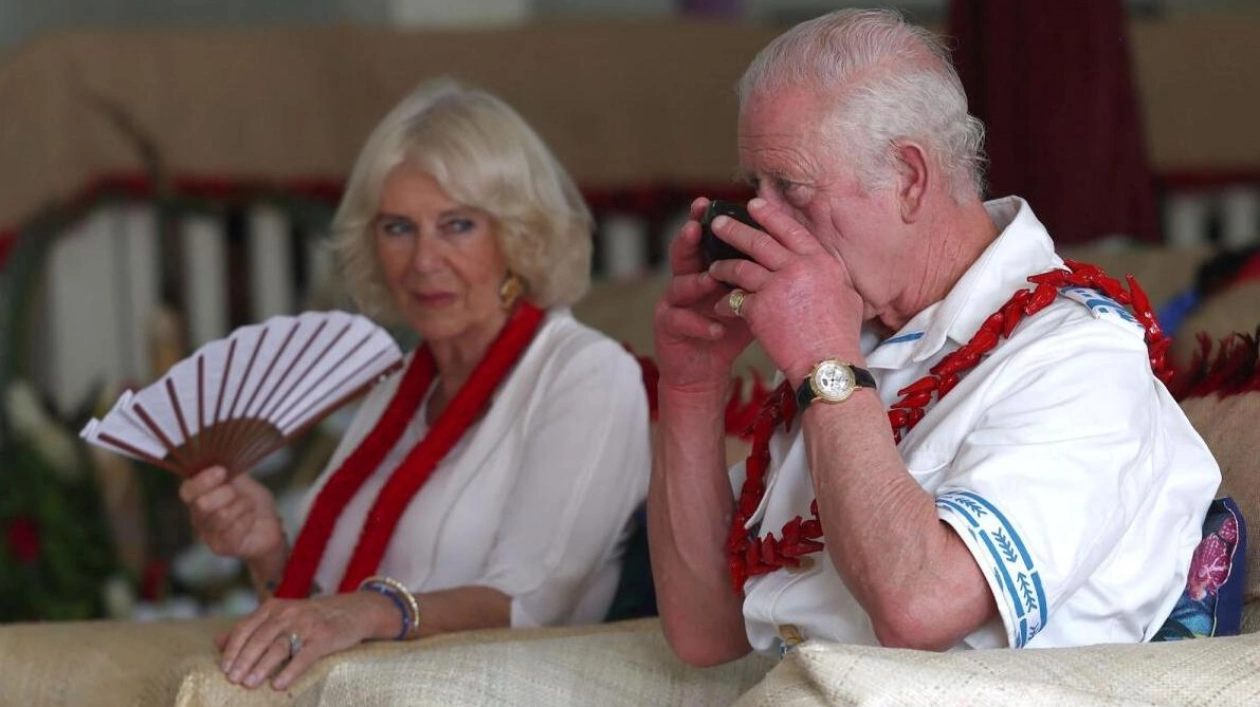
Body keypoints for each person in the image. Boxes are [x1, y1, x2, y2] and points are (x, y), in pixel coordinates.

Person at [649, 8, 1220, 665]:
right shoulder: (848, 338)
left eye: (792, 189)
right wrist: (692, 384)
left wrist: (823, 361)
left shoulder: (1079, 355)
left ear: (910, 181)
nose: (762, 219)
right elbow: (705, 635)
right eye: (755, 188)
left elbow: (921, 607)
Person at [178, 79, 651, 689]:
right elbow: (325, 611)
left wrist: (376, 609)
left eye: (457, 225)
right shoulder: (399, 386)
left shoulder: (585, 371)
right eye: (398, 228)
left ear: (518, 234)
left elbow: (535, 602)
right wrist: (268, 548)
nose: (423, 260)